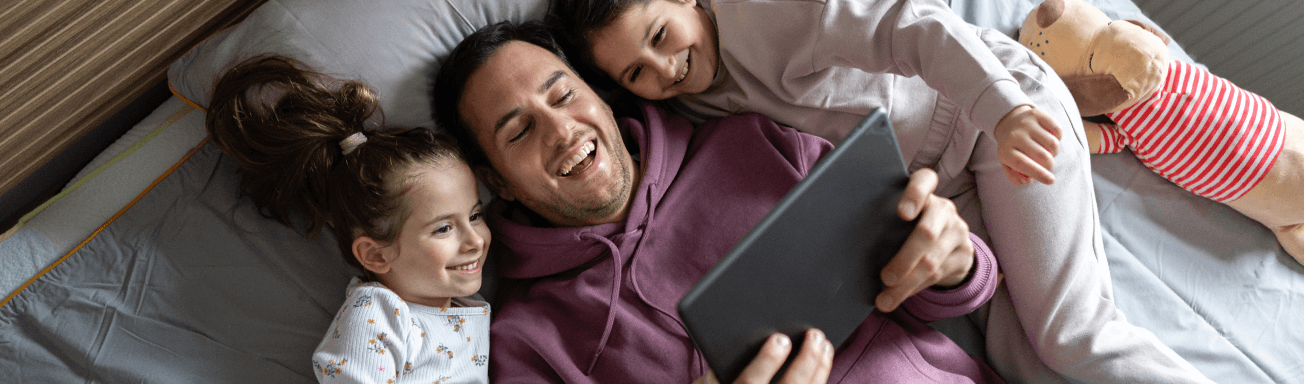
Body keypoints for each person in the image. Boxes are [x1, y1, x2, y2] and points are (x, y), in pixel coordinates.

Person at [546, 0, 1214, 382]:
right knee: (1023, 360)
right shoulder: (690, 107)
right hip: (937, 195)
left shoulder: (773, 12)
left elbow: (915, 30)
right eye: (638, 71)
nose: (668, 68)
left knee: (1072, 334)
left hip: (998, 123)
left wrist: (1006, 112)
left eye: (661, 36)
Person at [431, 21, 1003, 383]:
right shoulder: (525, 341)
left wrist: (958, 263)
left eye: (563, 96)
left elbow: (947, 286)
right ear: (495, 180)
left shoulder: (754, 145)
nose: (561, 131)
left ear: (597, 96)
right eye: (519, 132)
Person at [206, 55, 492, 384]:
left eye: (475, 215)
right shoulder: (378, 314)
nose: (475, 240)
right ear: (376, 254)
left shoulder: (466, 304)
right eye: (444, 228)